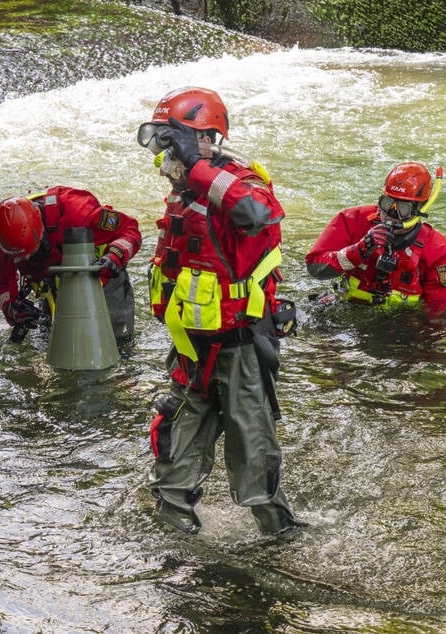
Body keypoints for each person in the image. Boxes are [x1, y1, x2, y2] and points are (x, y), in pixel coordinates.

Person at [137, 86, 303, 535]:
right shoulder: (183, 191)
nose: (164, 153)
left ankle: (281, 540)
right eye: (163, 142)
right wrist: (190, 169)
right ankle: (172, 547)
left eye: (174, 142)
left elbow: (259, 212)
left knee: (255, 462)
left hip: (240, 350)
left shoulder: (240, 183)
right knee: (174, 457)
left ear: (205, 139)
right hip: (190, 351)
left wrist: (199, 165)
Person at [305, 162, 446, 319]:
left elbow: (441, 315)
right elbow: (315, 268)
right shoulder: (352, 220)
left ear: (421, 208)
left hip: (402, 326)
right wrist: (358, 251)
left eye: (403, 209)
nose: (391, 214)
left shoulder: (442, 254)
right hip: (347, 311)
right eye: (387, 204)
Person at [0, 186, 142, 340]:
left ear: (41, 230)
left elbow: (129, 229)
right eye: (18, 258)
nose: (24, 260)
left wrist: (115, 255)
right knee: (53, 342)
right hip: (51, 288)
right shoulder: (3, 240)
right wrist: (14, 309)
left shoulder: (77, 212)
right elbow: (0, 281)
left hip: (102, 279)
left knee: (116, 341)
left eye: (29, 254)